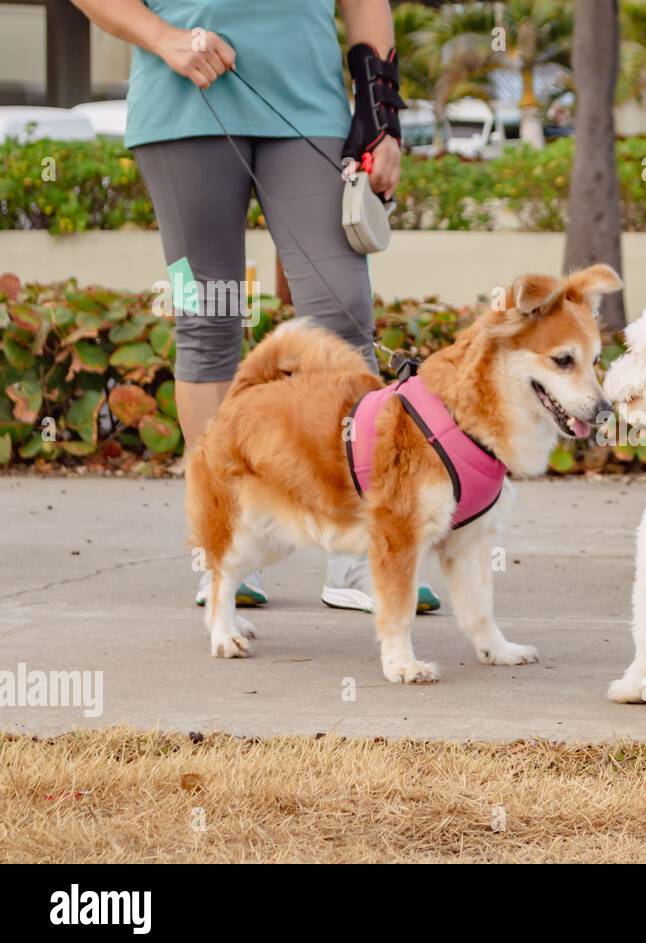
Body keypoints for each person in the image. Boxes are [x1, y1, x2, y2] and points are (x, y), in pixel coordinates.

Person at [71, 0, 439, 613]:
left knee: (342, 317)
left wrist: (382, 115)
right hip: (181, 103)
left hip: (308, 105)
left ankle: (356, 546)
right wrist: (162, 38)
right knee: (207, 320)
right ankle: (227, 542)